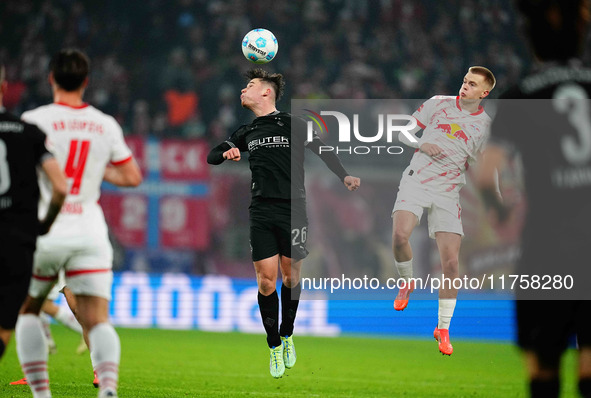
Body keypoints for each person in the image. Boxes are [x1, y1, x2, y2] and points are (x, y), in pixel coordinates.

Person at [207, 68, 360, 378]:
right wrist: (228, 153)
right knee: (266, 280)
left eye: (249, 85)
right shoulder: (245, 132)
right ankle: (274, 345)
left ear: (266, 92)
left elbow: (324, 150)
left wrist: (344, 175)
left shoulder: (296, 124)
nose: (243, 90)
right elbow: (212, 156)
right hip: (261, 210)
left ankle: (288, 333)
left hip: (294, 209)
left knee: (291, 276)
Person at [477, 1, 591, 396]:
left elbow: (485, 169)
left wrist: (499, 209)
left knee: (543, 368)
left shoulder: (520, 96)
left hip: (548, 245)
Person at [15, 49, 142, 398]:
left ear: (50, 78)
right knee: (97, 317)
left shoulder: (33, 119)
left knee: (29, 309)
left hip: (45, 229)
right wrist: (95, 167)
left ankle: (41, 393)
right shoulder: (104, 124)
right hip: (88, 230)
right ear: (86, 82)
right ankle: (108, 386)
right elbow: (132, 176)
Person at [392, 66, 496, 355]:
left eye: (472, 84)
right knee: (401, 236)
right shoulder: (438, 103)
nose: (465, 87)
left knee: (450, 264)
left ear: (484, 93)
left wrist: (495, 200)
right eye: (464, 81)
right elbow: (404, 134)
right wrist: (422, 143)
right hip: (416, 181)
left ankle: (443, 328)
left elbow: (487, 168)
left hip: (448, 192)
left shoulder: (485, 127)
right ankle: (407, 282)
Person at [0, 64, 67, 361]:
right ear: (4, 87)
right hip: (17, 237)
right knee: (8, 320)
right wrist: (45, 224)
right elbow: (60, 186)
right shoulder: (28, 132)